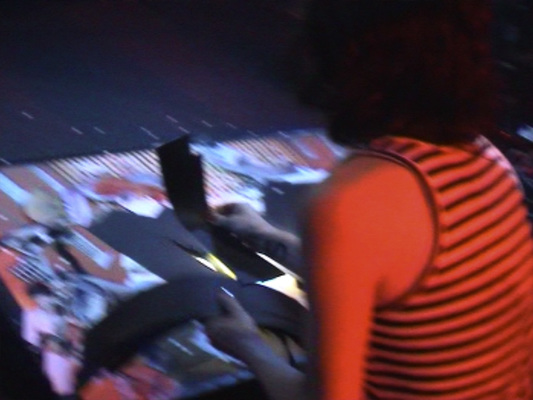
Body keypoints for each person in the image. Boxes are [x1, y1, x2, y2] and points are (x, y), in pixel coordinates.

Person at [205, 1, 533, 399]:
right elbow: (395, 273)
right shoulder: (484, 159)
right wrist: (266, 237)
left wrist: (247, 345)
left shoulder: (352, 201)